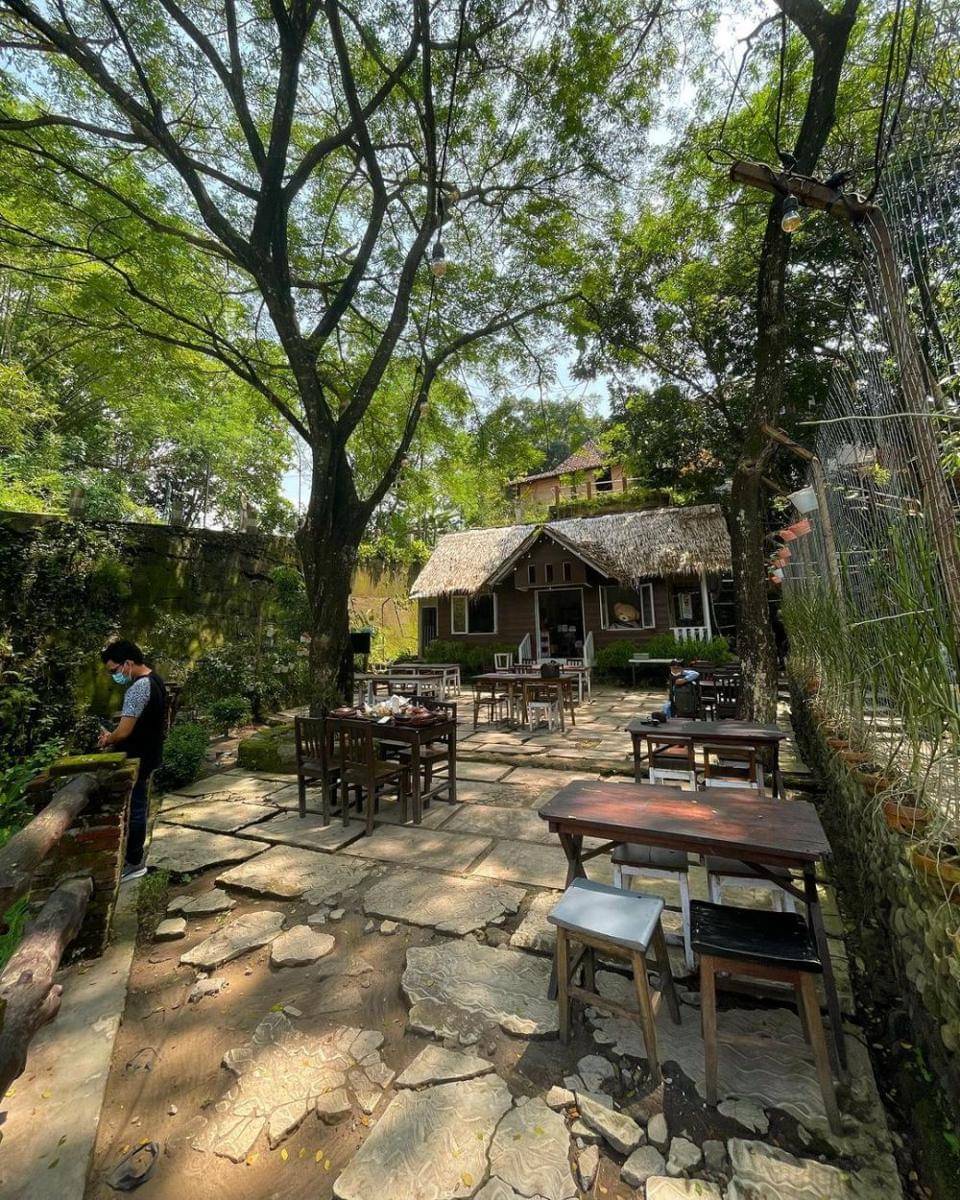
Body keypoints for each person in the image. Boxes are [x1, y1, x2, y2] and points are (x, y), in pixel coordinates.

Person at [98, 639, 168, 881]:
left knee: (136, 809)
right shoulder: (156, 680)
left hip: (137, 757)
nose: (114, 676)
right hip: (150, 754)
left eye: (114, 670)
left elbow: (124, 731)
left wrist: (109, 738)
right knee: (139, 806)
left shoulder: (138, 688)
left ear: (127, 663)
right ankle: (134, 858)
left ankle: (135, 862)